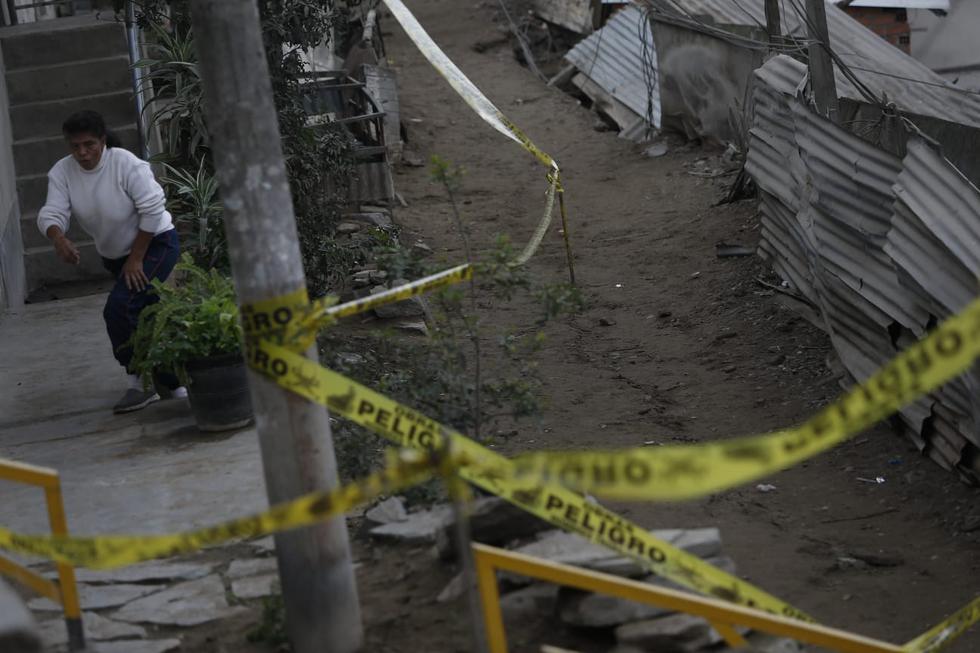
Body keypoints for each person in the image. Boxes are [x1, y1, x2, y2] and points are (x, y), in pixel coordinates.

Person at [37, 110, 182, 414]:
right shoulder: (63, 172)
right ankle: (172, 381)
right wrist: (58, 238)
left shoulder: (125, 164)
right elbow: (52, 212)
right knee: (149, 312)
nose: (82, 153)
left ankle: (138, 383)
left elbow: (153, 209)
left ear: (102, 141)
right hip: (115, 257)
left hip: (155, 244)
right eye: (75, 146)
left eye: (89, 145)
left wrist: (137, 258)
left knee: (119, 308)